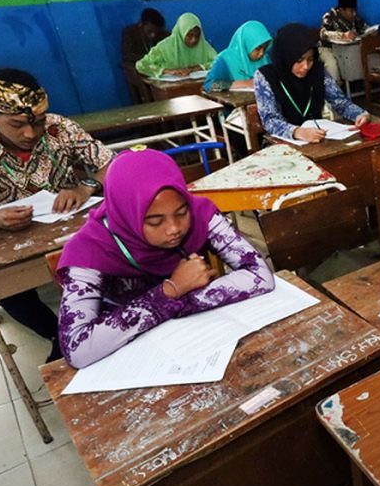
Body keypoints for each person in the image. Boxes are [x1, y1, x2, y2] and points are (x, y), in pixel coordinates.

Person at [0, 69, 115, 360]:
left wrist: (85, 188)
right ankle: (56, 333)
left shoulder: (59, 128)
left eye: (37, 122)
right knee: (5, 287)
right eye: (17, 124)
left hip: (68, 226)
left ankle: (99, 325)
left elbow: (111, 163)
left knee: (109, 262)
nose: (30, 133)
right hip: (11, 233)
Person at [55, 148, 275, 369]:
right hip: (134, 361)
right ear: (126, 213)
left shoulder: (199, 212)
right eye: (154, 221)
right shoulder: (90, 249)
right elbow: (77, 348)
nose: (174, 229)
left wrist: (177, 303)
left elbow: (260, 275)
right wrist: (170, 292)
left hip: (197, 343)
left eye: (181, 213)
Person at [254, 23, 372, 143]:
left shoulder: (317, 71)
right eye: (299, 60)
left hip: (317, 139)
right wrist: (297, 132)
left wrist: (360, 114)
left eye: (310, 59)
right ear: (286, 56)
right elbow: (269, 120)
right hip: (281, 143)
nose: (306, 66)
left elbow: (340, 102)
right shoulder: (265, 76)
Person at [135, 12, 217, 79]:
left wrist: (196, 68)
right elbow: (141, 65)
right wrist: (168, 71)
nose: (194, 40)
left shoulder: (203, 45)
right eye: (189, 35)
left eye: (197, 35)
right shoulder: (164, 47)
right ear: (181, 33)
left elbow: (219, 61)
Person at [204, 21, 272, 92]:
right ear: (246, 45)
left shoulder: (265, 59)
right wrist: (244, 83)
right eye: (258, 48)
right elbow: (209, 85)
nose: (261, 53)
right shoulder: (225, 60)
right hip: (232, 101)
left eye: (264, 48)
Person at [319, 0, 369, 82]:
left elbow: (364, 29)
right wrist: (342, 35)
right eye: (351, 11)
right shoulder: (330, 16)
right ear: (341, 10)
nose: (354, 13)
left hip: (347, 49)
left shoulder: (355, 18)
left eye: (355, 10)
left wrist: (371, 32)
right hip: (327, 48)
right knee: (332, 65)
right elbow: (323, 34)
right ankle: (335, 92)